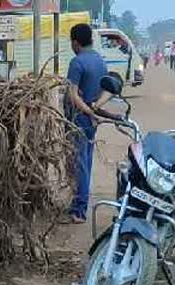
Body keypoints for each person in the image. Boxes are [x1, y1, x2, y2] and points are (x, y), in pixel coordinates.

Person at [66, 23, 109, 224]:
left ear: (76, 42)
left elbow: (73, 95)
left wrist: (88, 110)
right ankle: (79, 202)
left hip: (79, 119)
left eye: (71, 42)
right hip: (91, 120)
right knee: (87, 161)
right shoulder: (99, 60)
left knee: (80, 164)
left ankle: (79, 210)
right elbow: (107, 90)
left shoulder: (77, 62)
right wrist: (95, 108)